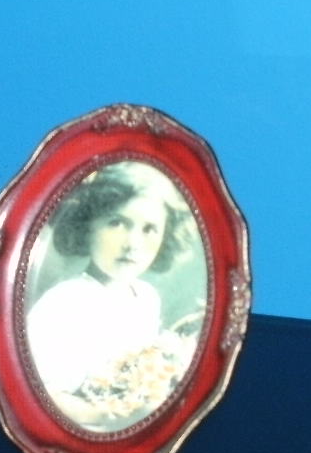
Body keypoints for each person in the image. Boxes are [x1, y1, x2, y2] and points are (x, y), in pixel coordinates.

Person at [25, 161, 200, 430]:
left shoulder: (146, 298)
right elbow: (39, 395)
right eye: (117, 223)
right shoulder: (63, 302)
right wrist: (108, 416)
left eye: (149, 229)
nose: (132, 244)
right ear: (87, 226)